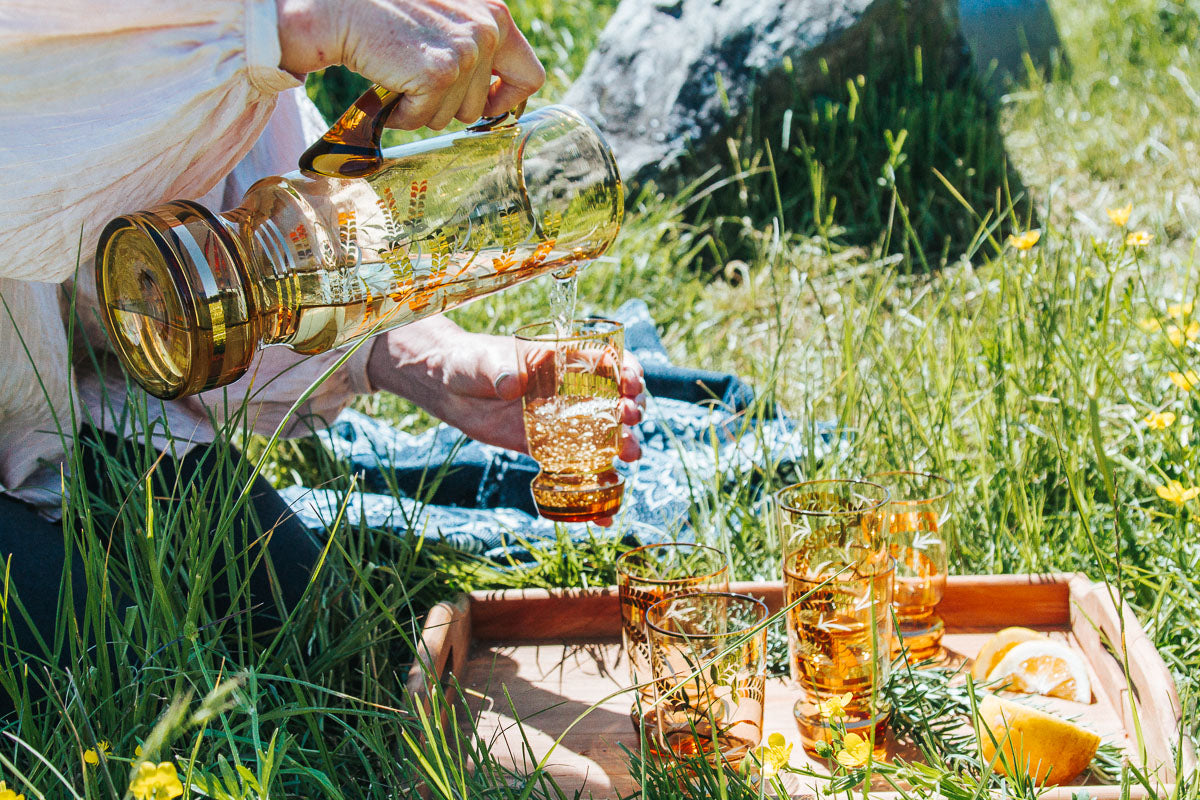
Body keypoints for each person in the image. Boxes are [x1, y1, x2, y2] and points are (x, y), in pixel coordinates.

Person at [0, 0, 643, 701]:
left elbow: (225, 241)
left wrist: (432, 365)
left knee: (306, 636)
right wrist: (287, 24)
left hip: (57, 412)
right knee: (98, 670)